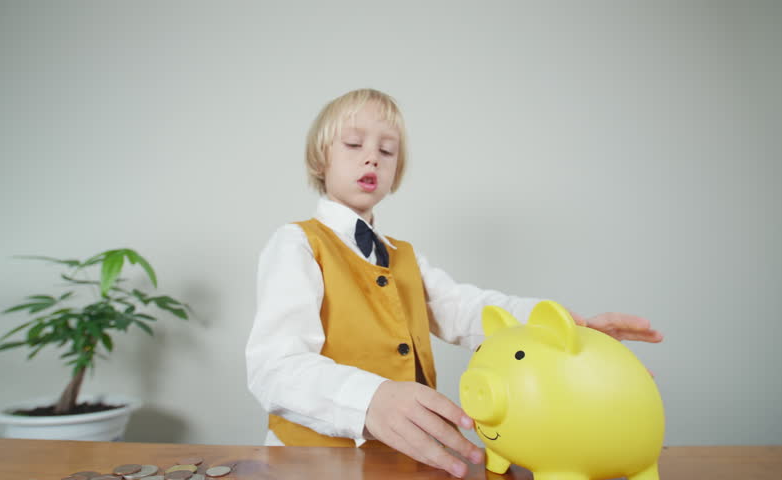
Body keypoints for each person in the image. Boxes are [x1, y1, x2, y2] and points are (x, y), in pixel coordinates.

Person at [245, 88, 663, 478]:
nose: (372, 158)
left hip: (407, 459)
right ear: (320, 161)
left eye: (387, 151)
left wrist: (559, 327)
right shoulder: (296, 243)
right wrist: (370, 399)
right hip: (310, 462)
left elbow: (463, 309)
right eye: (354, 144)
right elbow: (274, 368)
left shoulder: (405, 256)